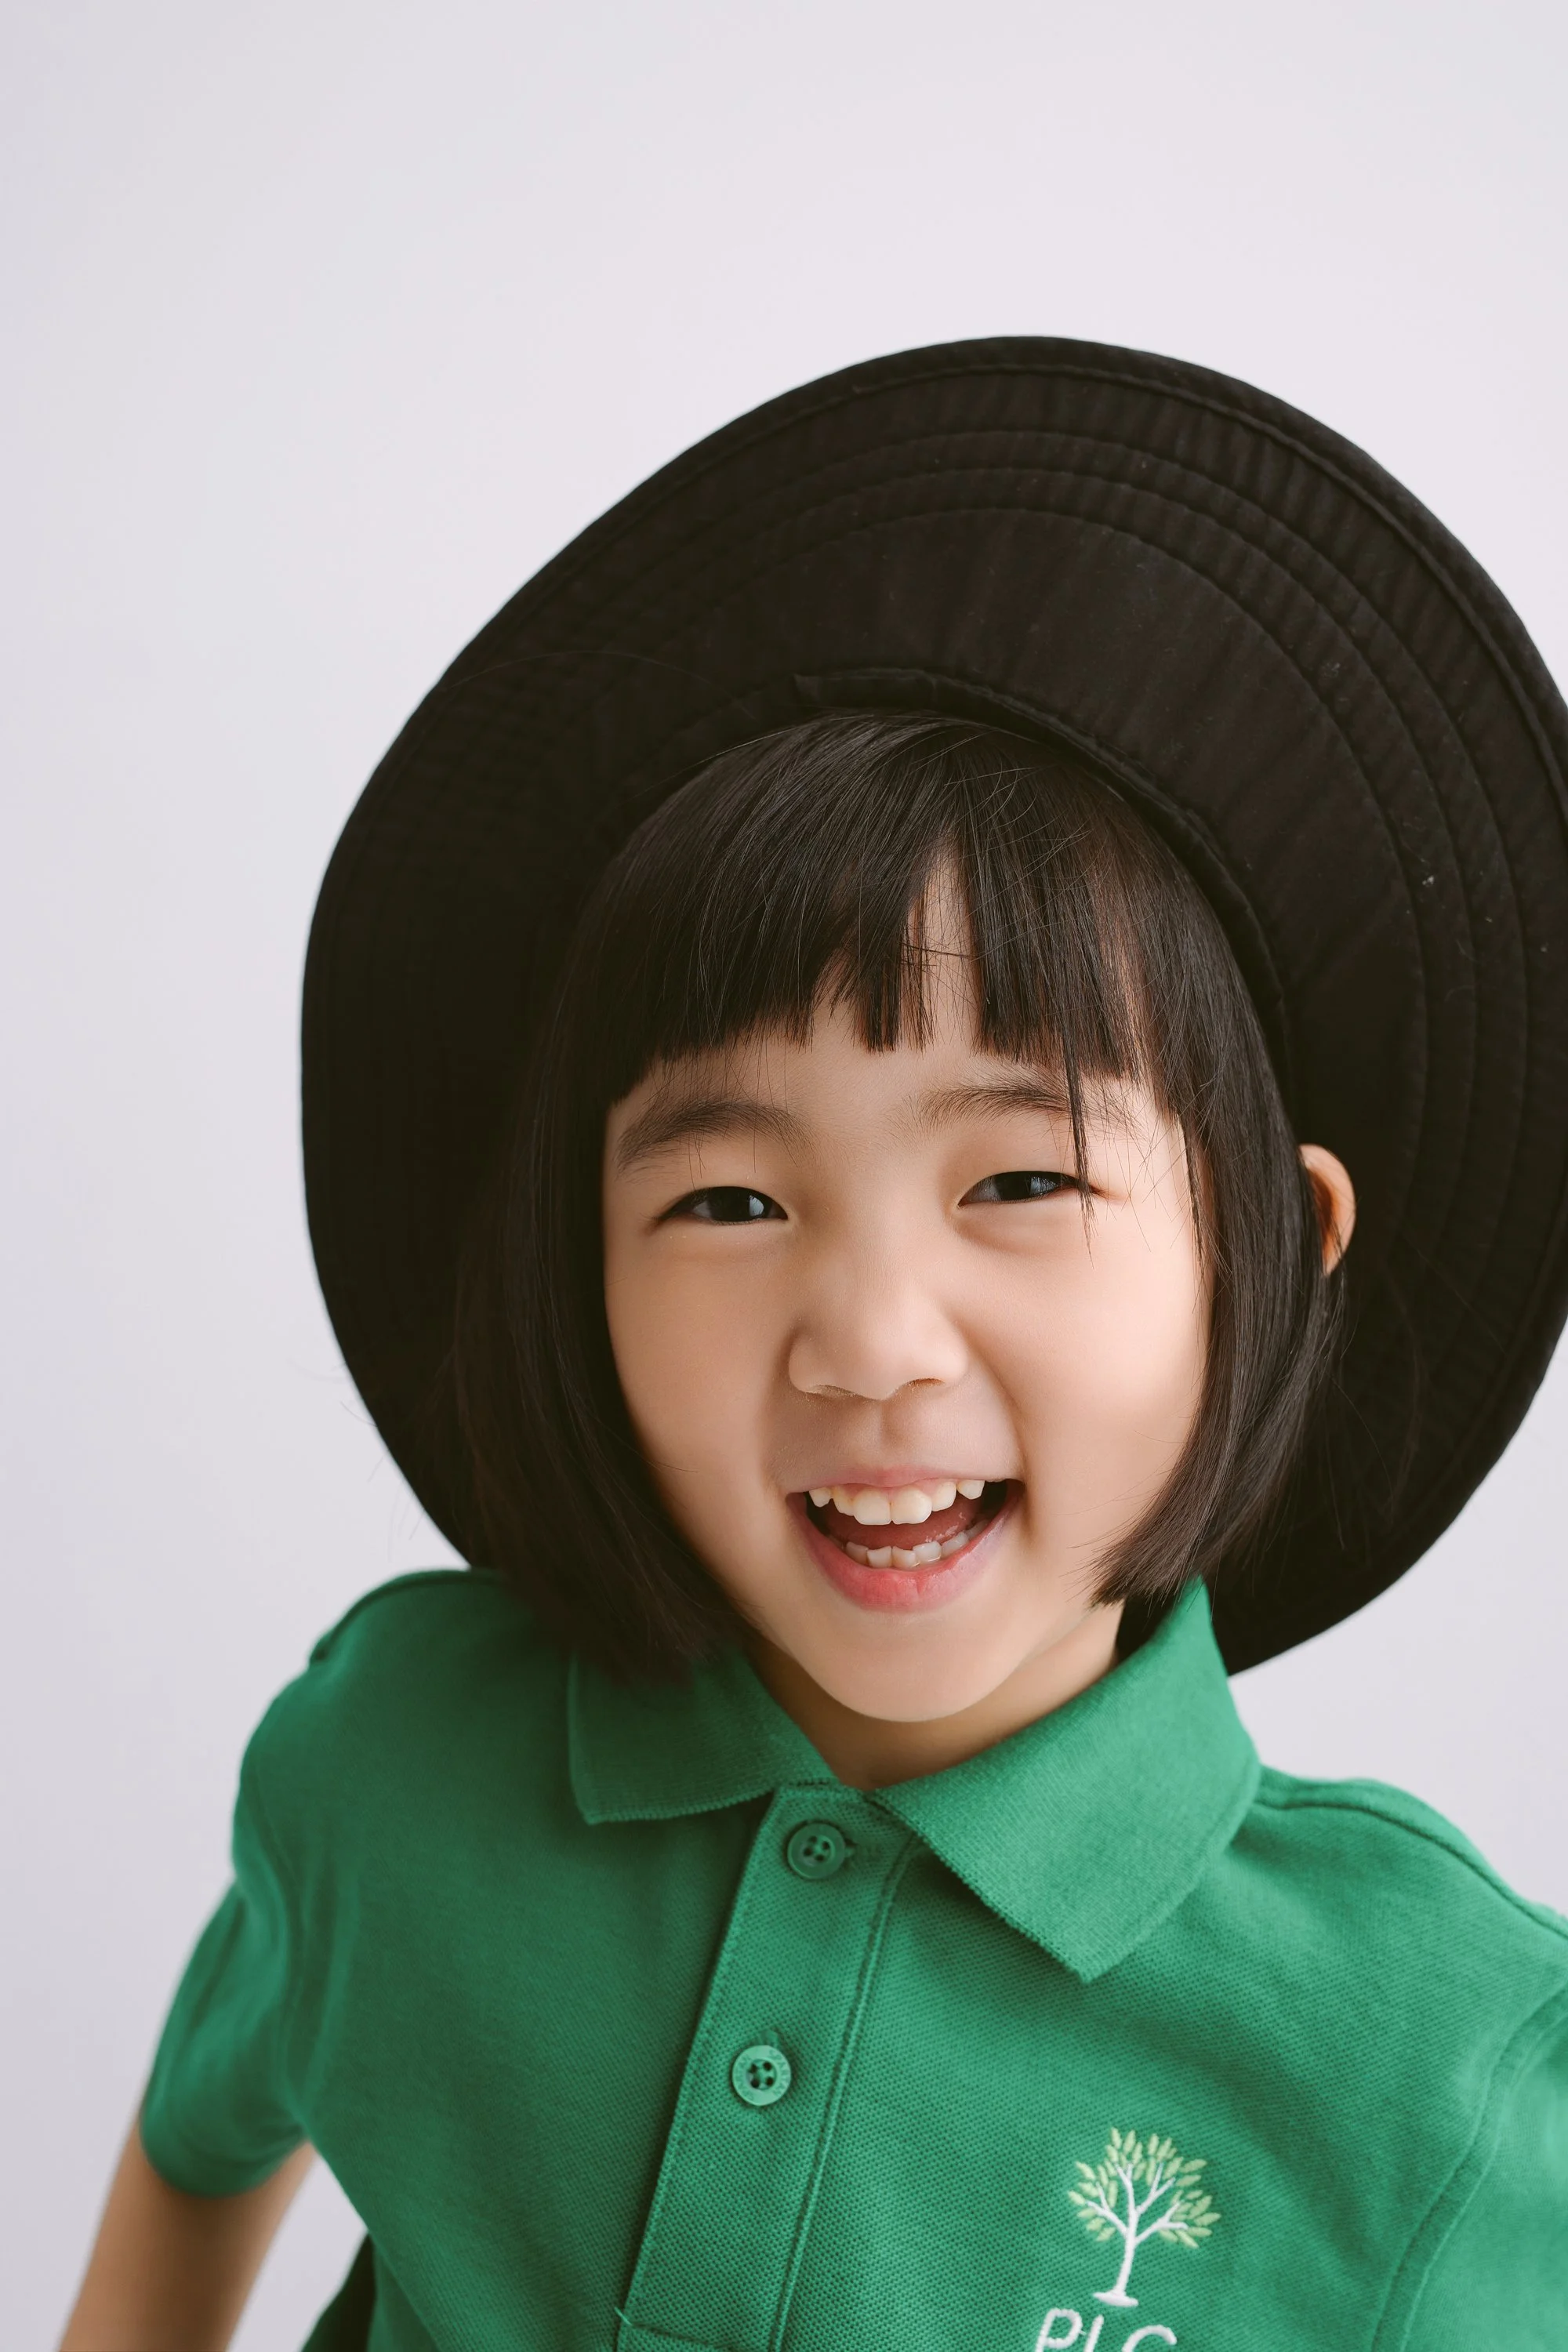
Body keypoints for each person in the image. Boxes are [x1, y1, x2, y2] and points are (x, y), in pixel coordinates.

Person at [60, 341, 1568, 2351]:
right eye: (729, 1201)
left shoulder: (1442, 2063)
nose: (865, 1345)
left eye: (1020, 1182)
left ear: (1272, 1258)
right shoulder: (391, 1759)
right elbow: (201, 2131)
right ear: (571, 1266)